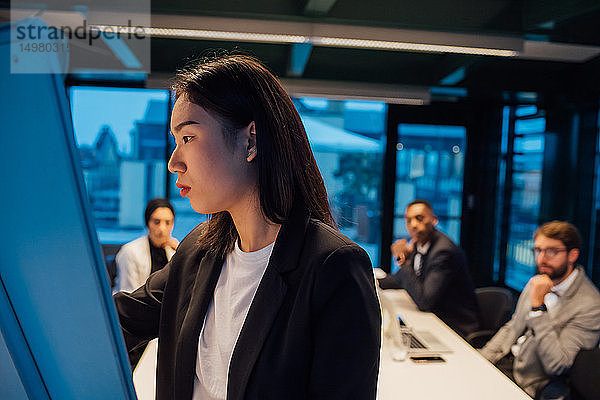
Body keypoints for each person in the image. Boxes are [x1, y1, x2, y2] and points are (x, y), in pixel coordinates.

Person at [113, 54, 381, 400]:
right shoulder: (198, 250)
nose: (173, 162)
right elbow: (118, 322)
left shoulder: (334, 268)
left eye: (188, 138)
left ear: (250, 140)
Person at [481, 221, 600, 399]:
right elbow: (513, 326)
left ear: (572, 255)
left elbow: (558, 364)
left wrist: (538, 309)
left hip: (529, 382)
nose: (542, 258)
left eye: (552, 251)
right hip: (503, 362)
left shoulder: (590, 305)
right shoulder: (539, 281)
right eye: (538, 250)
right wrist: (482, 358)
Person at [376, 199, 479, 337]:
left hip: (455, 328)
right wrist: (373, 281)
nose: (413, 225)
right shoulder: (420, 244)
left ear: (434, 220)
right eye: (408, 220)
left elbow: (424, 301)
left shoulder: (443, 252)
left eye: (419, 218)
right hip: (433, 320)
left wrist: (404, 262)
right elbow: (402, 279)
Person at [113, 198, 179, 294]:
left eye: (168, 223)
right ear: (148, 223)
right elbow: (129, 294)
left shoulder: (175, 251)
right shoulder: (130, 251)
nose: (162, 228)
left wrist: (181, 252)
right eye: (157, 222)